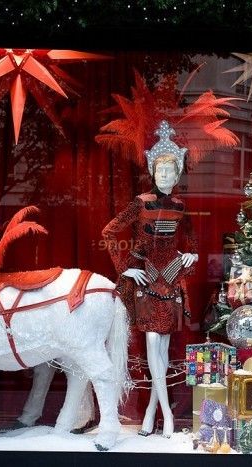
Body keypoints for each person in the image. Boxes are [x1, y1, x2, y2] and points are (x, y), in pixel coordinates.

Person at [102, 121, 198, 438]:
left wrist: (192, 255)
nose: (165, 176)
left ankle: (149, 413)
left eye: (170, 172)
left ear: (178, 174)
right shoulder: (141, 202)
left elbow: (192, 242)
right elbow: (109, 231)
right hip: (144, 277)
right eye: (160, 171)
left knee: (164, 347)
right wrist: (124, 268)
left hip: (170, 278)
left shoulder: (181, 207)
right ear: (153, 172)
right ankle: (166, 414)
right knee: (153, 342)